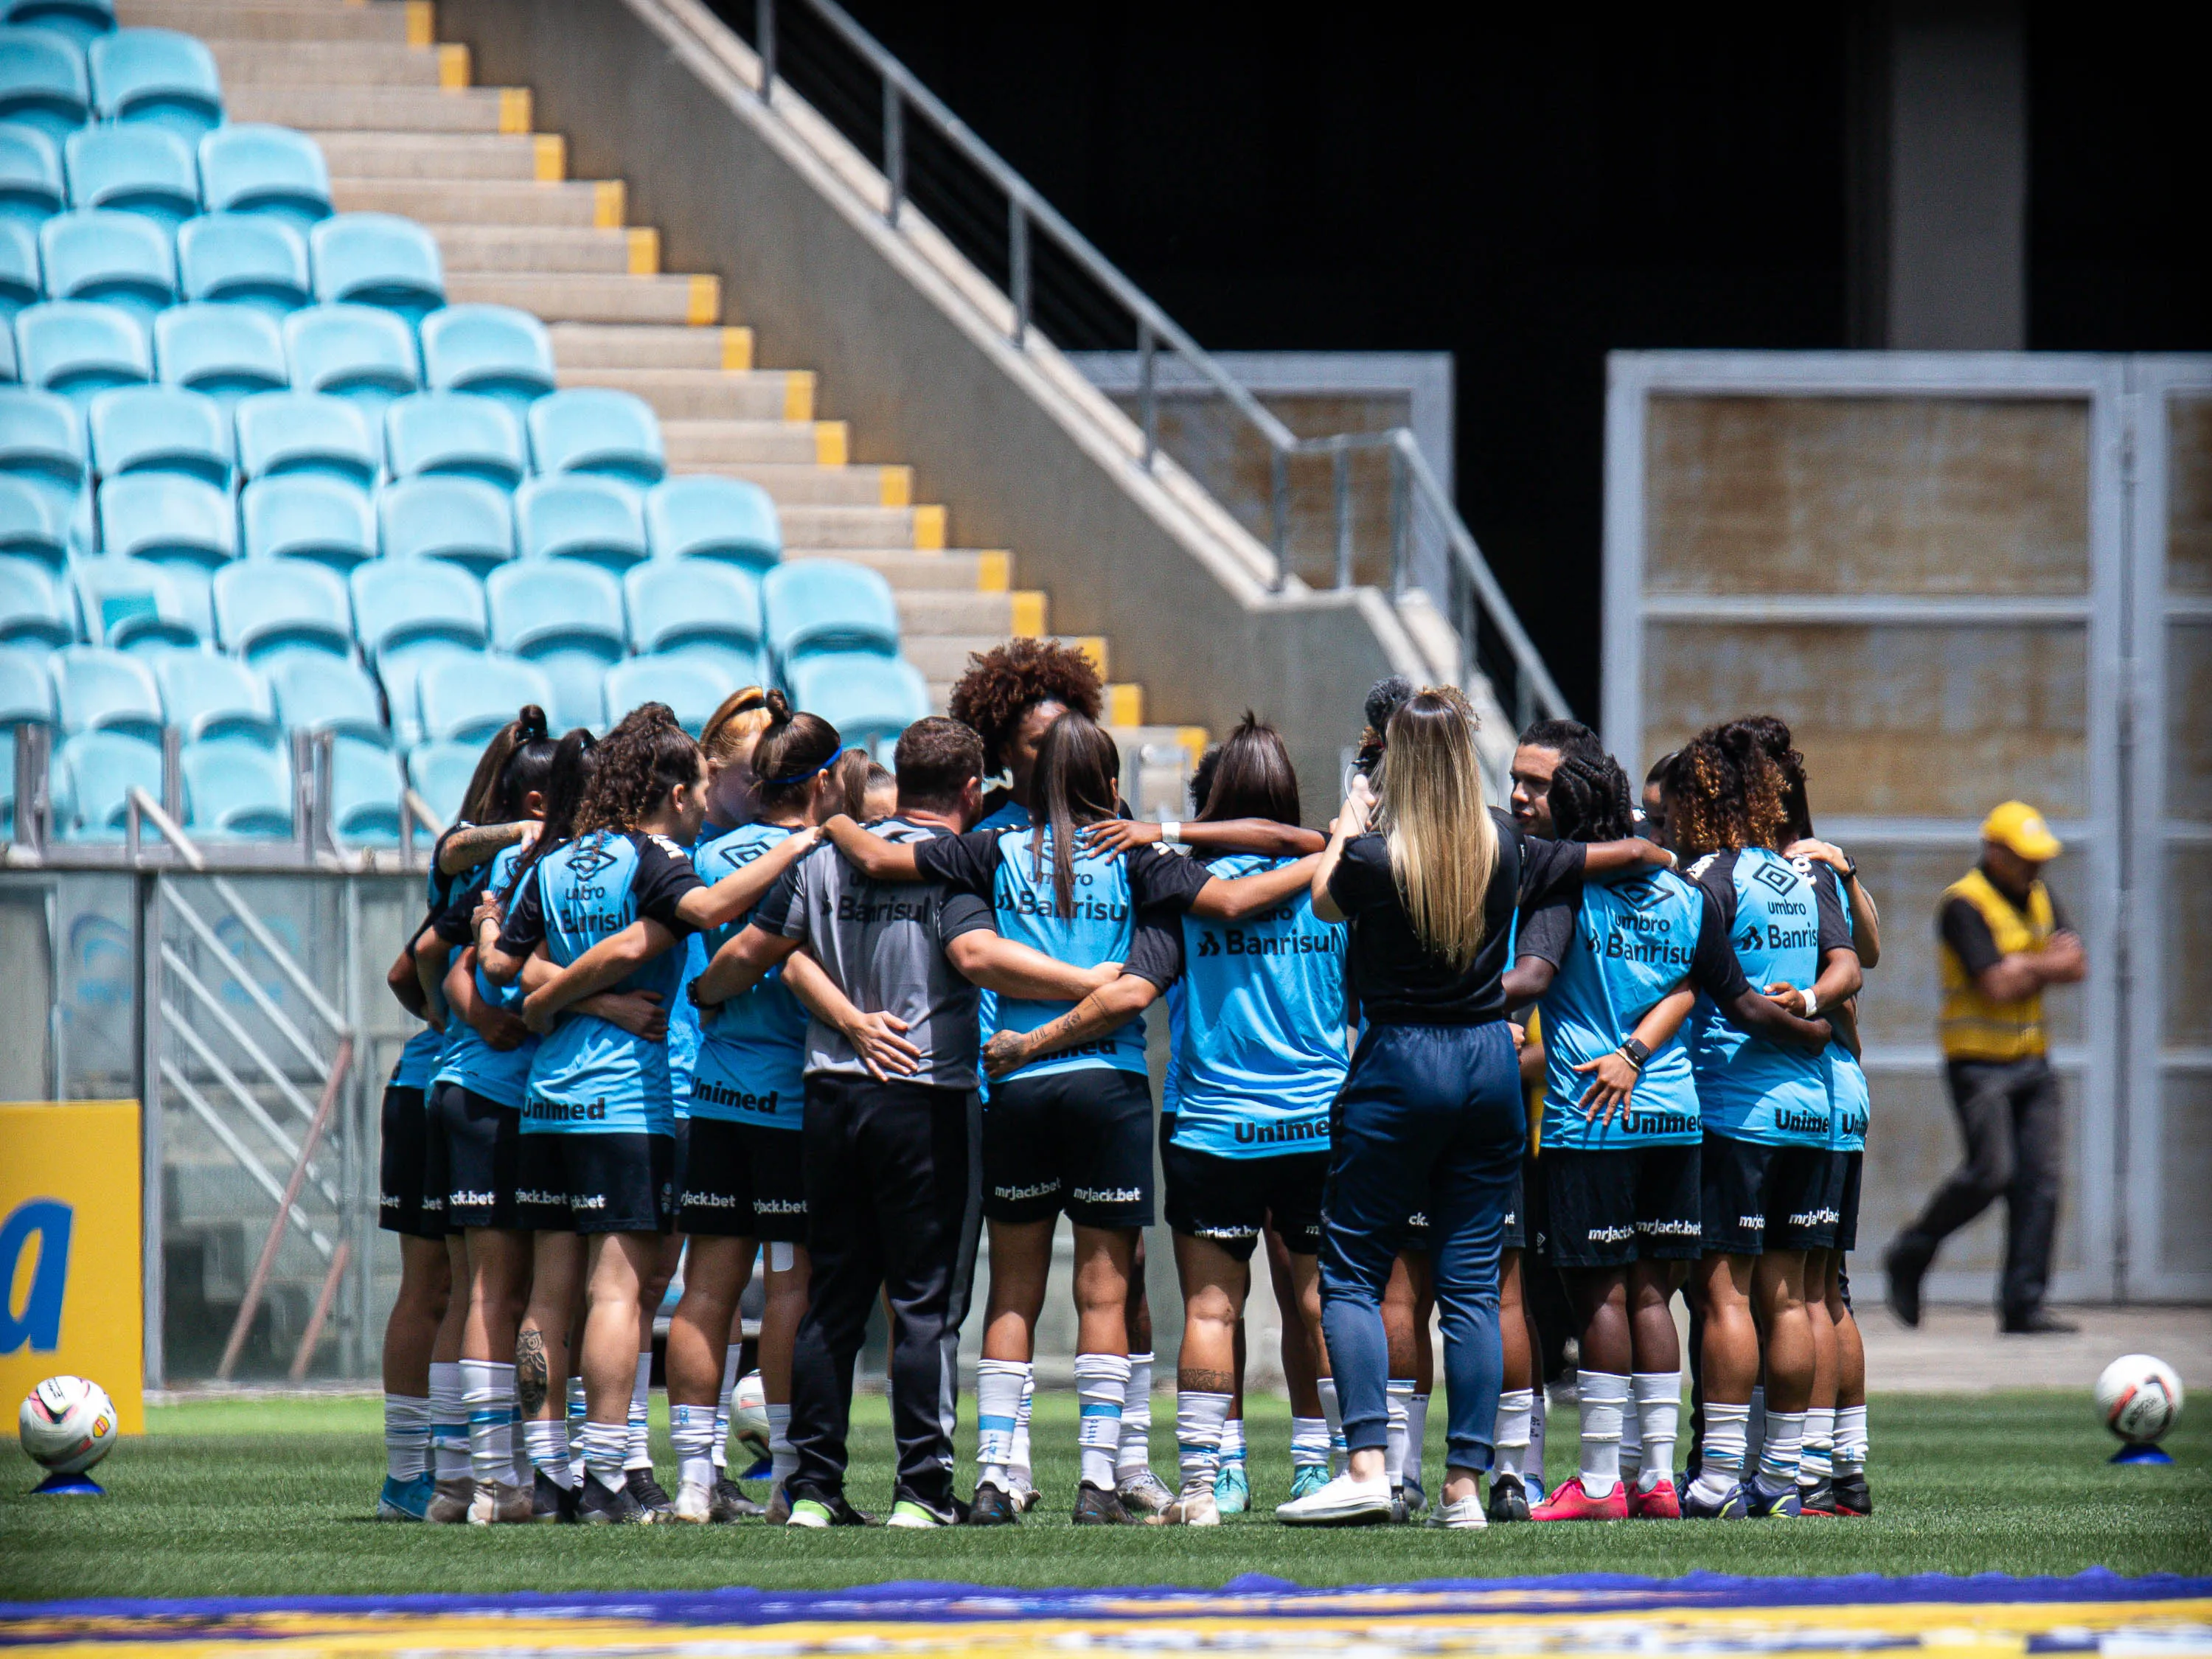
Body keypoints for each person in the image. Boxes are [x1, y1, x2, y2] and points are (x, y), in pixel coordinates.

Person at [818, 712, 1319, 1525]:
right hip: (1108, 1087)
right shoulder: (1141, 859)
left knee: (1009, 1293)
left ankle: (993, 1479)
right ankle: (1096, 1482)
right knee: (1104, 1294)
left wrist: (829, 812)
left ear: (1032, 780)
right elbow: (1231, 897)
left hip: (1016, 1090)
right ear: (1110, 785)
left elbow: (876, 854)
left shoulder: (991, 849)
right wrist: (1317, 850)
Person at [685, 717, 1129, 1528]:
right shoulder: (958, 863)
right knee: (925, 1305)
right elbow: (976, 958)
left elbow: (754, 953)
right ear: (969, 792)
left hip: (830, 1098)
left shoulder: (823, 857)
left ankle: (814, 1490)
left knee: (835, 1300)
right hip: (928, 1095)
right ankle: (922, 1492)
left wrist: (705, 994)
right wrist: (1085, 985)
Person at [1285, 686, 1674, 1529]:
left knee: (1352, 1271)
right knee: (1472, 1287)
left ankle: (1365, 1465)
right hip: (1489, 1062)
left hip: (1398, 1059)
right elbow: (1587, 862)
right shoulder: (1503, 841)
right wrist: (1648, 854)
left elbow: (1321, 897)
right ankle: (1467, 1483)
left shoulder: (1374, 855)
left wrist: (1354, 810)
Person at [974, 714, 1346, 1526]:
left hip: (1211, 1123)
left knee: (1211, 1309)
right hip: (1316, 1120)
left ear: (1212, 801)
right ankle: (1322, 1472)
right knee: (1317, 1303)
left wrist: (1027, 1043)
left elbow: (1129, 992)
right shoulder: (1333, 883)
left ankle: (1213, 1482)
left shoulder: (1182, 888)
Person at [1503, 747, 1834, 1522]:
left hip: (1593, 1118)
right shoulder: (1687, 896)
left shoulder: (1563, 890)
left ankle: (1595, 1485)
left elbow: (1537, 978)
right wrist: (1810, 1030)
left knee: (1601, 1304)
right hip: (1677, 1120)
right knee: (1655, 1298)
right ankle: (1655, 1478)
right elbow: (1742, 1002)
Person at [667, 697, 884, 1524]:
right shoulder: (829, 858)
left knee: (707, 1288)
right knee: (791, 1290)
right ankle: (793, 1475)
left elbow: (713, 971)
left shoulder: (709, 855)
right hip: (796, 1107)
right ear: (824, 780)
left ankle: (695, 1476)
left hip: (718, 1094)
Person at [1663, 727, 1858, 1520]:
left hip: (1735, 1107)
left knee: (1724, 1298)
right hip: (1811, 1109)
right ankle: (1783, 1478)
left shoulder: (1709, 876)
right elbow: (1846, 967)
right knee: (1790, 1300)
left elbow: (1683, 975)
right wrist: (1810, 1013)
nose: (1669, 819)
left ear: (1701, 800)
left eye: (1676, 804)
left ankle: (1715, 1480)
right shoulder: (1803, 875)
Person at [376, 709, 551, 1524]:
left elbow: (407, 965)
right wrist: (470, 1020)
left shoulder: (497, 865)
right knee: (453, 1286)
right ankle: (430, 1472)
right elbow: (414, 962)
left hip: (441, 1085)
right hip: (450, 1086)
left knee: (457, 1286)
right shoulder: (484, 856)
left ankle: (443, 1474)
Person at [1740, 714, 1882, 1517]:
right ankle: (1839, 1468)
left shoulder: (1796, 870)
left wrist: (1842, 870)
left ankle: (1809, 1468)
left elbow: (1863, 954)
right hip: (1835, 1093)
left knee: (1799, 1294)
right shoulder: (1811, 869)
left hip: (1801, 1086)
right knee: (1826, 1293)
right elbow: (1866, 952)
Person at [1885, 801, 2087, 1336]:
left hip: (2034, 1061)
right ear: (1994, 851)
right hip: (1978, 1064)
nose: (2035, 868)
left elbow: (2078, 963)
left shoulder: (2040, 897)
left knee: (2040, 1183)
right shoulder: (1963, 905)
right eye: (2024, 858)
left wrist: (2024, 965)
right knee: (1991, 1171)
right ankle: (1912, 1250)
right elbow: (1994, 985)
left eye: (2039, 858)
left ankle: (2023, 1304)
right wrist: (2041, 965)